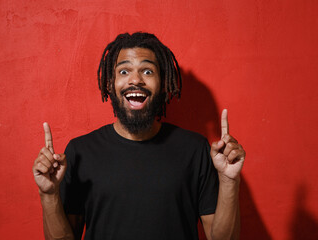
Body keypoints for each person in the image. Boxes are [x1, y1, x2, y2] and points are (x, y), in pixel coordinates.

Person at [33, 32, 246, 240]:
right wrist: (49, 195)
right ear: (110, 84)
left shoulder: (195, 149)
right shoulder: (80, 151)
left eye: (147, 71)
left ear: (163, 85)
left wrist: (229, 180)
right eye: (124, 72)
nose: (135, 80)